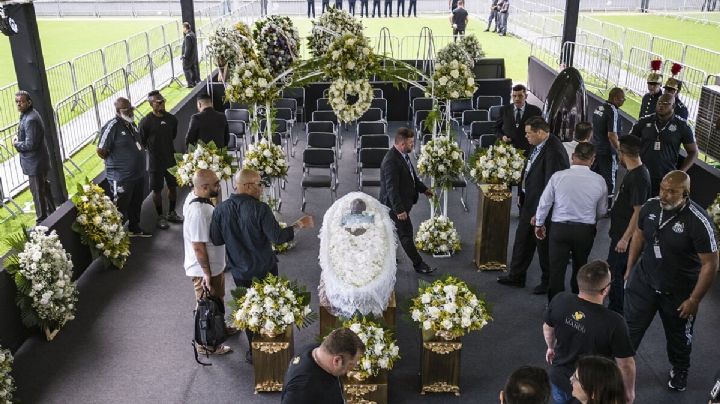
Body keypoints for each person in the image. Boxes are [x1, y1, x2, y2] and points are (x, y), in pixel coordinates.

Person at [624, 171, 718, 392]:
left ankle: (680, 369)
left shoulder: (699, 221)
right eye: (662, 189)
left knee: (678, 337)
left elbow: (710, 264)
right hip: (645, 281)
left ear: (685, 193)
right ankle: (621, 364)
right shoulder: (650, 206)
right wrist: (629, 269)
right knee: (629, 328)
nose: (664, 195)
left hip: (679, 292)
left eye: (672, 191)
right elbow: (639, 235)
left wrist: (695, 299)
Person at [210, 169, 314, 362]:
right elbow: (278, 238)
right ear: (248, 186)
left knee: (248, 308)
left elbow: (216, 240)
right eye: (259, 184)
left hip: (240, 270)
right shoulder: (260, 209)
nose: (262, 189)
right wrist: (299, 224)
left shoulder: (220, 209)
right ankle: (271, 346)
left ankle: (253, 350)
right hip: (264, 268)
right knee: (269, 306)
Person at [543, 261, 636, 404]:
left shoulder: (560, 299)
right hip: (592, 389)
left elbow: (548, 328)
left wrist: (550, 347)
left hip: (559, 378)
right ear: (605, 290)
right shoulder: (615, 323)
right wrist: (629, 392)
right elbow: (626, 365)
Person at [498, 117, 569, 294]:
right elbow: (530, 170)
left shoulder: (554, 151)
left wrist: (540, 213)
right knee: (522, 240)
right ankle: (516, 276)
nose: (526, 136)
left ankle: (548, 282)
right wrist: (521, 194)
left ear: (540, 132)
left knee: (543, 246)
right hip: (529, 202)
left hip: (540, 208)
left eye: (529, 133)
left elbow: (551, 185)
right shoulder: (539, 145)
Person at [535, 142, 608, 302]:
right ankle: (578, 303)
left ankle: (554, 305)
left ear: (573, 157)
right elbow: (602, 211)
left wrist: (539, 224)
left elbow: (544, 203)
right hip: (585, 230)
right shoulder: (600, 180)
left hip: (559, 229)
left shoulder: (558, 176)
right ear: (592, 159)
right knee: (581, 267)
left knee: (556, 269)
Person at [183, 169, 234, 355]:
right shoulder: (199, 211)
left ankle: (220, 327)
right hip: (205, 270)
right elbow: (198, 245)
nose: (219, 187)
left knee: (216, 300)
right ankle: (207, 344)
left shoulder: (195, 198)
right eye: (215, 185)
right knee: (206, 306)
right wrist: (206, 273)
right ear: (204, 188)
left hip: (213, 267)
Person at [379, 127, 436, 275]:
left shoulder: (402, 155)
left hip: (402, 204)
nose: (413, 145)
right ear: (402, 144)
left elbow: (412, 178)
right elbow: (392, 189)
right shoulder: (391, 161)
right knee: (406, 234)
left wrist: (424, 190)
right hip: (394, 207)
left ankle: (388, 258)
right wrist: (399, 210)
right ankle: (419, 265)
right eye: (411, 143)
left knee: (391, 233)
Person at [606, 136, 650, 315]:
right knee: (614, 270)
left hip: (624, 238)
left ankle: (616, 311)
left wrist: (625, 239)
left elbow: (638, 212)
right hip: (619, 233)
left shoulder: (639, 178)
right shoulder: (635, 173)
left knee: (617, 273)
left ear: (621, 153)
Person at [97, 97, 150, 237]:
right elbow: (101, 150)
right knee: (119, 206)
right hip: (121, 177)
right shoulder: (112, 126)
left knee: (136, 203)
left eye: (131, 108)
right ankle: (116, 237)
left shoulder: (131, 124)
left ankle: (134, 228)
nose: (130, 112)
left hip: (137, 174)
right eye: (126, 110)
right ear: (118, 111)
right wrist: (117, 161)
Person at [629, 92, 697, 196]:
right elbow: (628, 142)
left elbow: (693, 152)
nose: (661, 105)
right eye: (660, 103)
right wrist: (631, 163)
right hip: (642, 174)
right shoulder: (644, 121)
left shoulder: (682, 126)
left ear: (673, 106)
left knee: (656, 209)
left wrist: (679, 173)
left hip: (665, 179)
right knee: (637, 207)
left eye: (666, 103)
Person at [281, 328, 365, 404]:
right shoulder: (303, 388)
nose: (353, 368)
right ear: (337, 361)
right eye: (351, 364)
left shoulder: (317, 350)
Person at [138, 90, 182, 231]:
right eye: (158, 102)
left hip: (170, 159)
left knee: (173, 187)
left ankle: (171, 212)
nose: (162, 103)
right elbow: (142, 142)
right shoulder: (145, 122)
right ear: (152, 104)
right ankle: (160, 216)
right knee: (156, 190)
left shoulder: (172, 119)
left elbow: (173, 135)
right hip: (155, 163)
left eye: (163, 100)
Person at [13, 90, 56, 224]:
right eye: (17, 102)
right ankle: (53, 214)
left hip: (35, 163)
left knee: (38, 192)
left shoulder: (31, 118)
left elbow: (30, 144)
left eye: (21, 101)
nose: (19, 104)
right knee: (43, 188)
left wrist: (16, 144)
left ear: (29, 102)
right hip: (36, 162)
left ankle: (42, 221)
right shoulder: (27, 115)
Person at [591, 87, 625, 204]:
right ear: (615, 99)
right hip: (607, 152)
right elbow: (612, 135)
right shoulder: (612, 111)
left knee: (596, 176)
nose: (623, 101)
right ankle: (608, 206)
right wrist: (620, 151)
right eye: (622, 99)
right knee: (610, 180)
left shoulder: (598, 108)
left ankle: (592, 200)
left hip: (596, 149)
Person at [496, 84, 543, 153]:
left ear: (526, 96)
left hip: (528, 151)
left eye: (520, 96)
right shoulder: (504, 110)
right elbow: (496, 128)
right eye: (514, 96)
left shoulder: (535, 111)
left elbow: (540, 130)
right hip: (508, 151)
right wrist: (502, 137)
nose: (517, 99)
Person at [181, 22, 200, 88]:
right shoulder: (192, 34)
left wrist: (184, 56)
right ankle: (194, 82)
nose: (182, 30)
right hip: (193, 56)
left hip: (188, 57)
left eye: (183, 28)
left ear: (185, 28)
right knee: (192, 69)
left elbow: (188, 48)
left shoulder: (188, 36)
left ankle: (190, 83)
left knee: (186, 69)